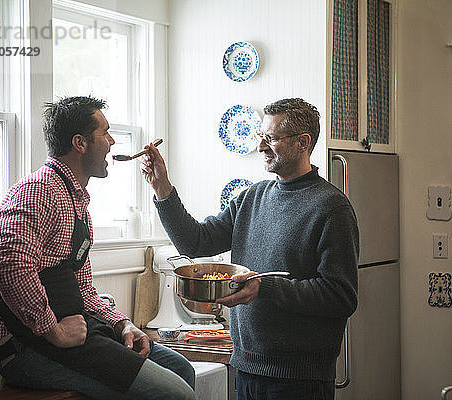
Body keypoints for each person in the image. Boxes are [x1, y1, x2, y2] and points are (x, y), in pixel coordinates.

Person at [0, 96, 195, 400]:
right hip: (25, 348)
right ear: (80, 142)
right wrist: (55, 331)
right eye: (104, 133)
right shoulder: (39, 190)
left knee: (181, 368)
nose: (112, 141)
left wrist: (123, 324)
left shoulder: (76, 202)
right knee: (175, 394)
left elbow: (83, 289)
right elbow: (9, 264)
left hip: (75, 332)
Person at [141, 98, 359, 400]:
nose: (261, 146)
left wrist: (264, 287)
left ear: (302, 143)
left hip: (300, 379)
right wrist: (162, 188)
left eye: (270, 138)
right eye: (261, 137)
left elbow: (340, 296)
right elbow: (196, 242)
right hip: (246, 367)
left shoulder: (331, 207)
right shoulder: (253, 197)